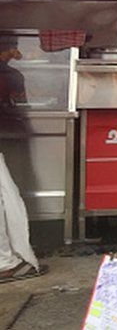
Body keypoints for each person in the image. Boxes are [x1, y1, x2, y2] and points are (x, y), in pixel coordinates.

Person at [0, 35, 45, 283]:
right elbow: (20, 103)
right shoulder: (12, 76)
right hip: (8, 131)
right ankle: (5, 263)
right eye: (11, 46)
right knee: (4, 197)